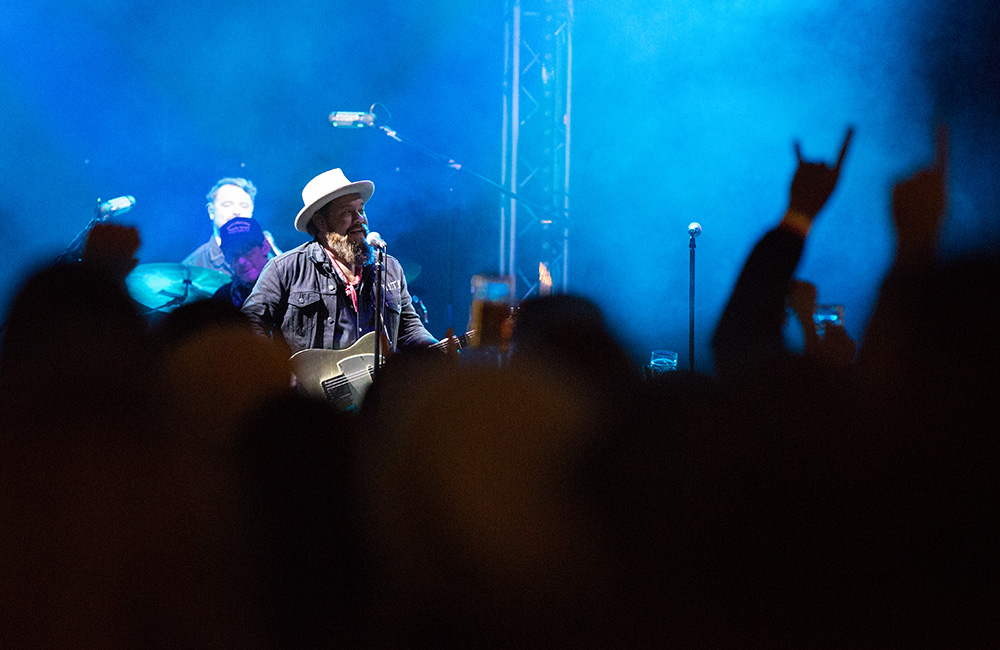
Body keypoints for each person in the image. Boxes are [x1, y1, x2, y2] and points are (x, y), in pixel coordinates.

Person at [241, 168, 436, 355]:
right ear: (321, 222)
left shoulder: (388, 268)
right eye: (347, 212)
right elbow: (249, 325)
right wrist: (278, 371)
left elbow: (409, 329)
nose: (360, 219)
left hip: (375, 387)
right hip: (309, 389)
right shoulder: (284, 269)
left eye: (361, 210)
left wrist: (435, 350)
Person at [183, 177, 278, 275]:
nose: (237, 211)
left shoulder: (268, 259)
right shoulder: (193, 266)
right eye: (227, 205)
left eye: (244, 206)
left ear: (251, 212)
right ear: (211, 211)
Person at [211, 217, 270, 309]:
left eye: (247, 250)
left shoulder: (289, 284)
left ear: (265, 247)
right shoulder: (222, 299)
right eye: (232, 254)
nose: (241, 261)